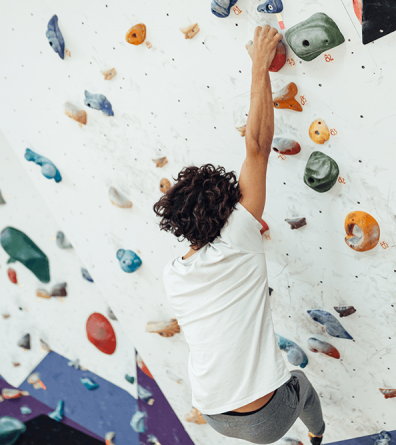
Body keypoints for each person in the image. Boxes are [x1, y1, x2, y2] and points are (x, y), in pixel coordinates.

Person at [153, 25, 325, 445]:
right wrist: (259, 66)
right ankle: (318, 435)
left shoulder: (174, 274)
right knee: (300, 383)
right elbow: (257, 146)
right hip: (263, 421)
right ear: (230, 211)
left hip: (212, 412)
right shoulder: (238, 236)